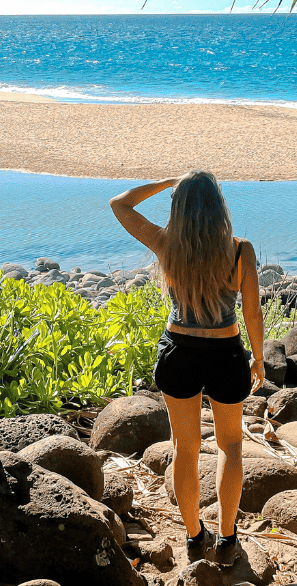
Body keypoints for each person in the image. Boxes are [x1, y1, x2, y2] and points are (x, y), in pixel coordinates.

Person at [110, 170, 264, 566]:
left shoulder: (165, 243)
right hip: (226, 353)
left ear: (178, 208)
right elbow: (252, 312)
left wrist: (164, 183)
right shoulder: (240, 250)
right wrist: (258, 357)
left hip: (179, 351)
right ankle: (228, 539)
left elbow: (119, 204)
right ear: (219, 209)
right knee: (231, 447)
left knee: (186, 448)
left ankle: (195, 536)